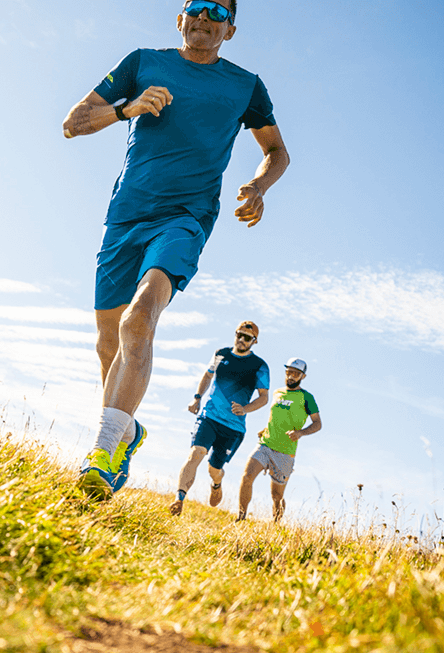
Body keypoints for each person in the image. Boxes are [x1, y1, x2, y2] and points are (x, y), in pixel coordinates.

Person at [61, 0, 290, 499]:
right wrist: (127, 108)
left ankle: (101, 453)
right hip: (126, 215)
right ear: (180, 18)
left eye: (217, 11)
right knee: (108, 343)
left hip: (186, 217)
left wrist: (258, 187)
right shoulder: (143, 63)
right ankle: (126, 432)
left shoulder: (245, 86)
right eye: (196, 6)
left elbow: (276, 151)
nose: (205, 17)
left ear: (230, 30)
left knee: (139, 318)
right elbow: (73, 122)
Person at [169, 321, 269, 516]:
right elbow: (208, 376)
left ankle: (216, 483)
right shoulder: (221, 354)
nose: (241, 339)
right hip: (209, 417)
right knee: (196, 453)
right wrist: (197, 397)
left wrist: (245, 409)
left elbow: (264, 397)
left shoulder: (259, 366)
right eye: (239, 334)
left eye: (247, 337)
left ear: (254, 341)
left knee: (214, 469)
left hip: (233, 428)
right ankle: (179, 499)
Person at [236, 357, 321, 522]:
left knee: (276, 496)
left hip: (285, 452)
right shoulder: (277, 393)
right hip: (265, 444)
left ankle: (275, 526)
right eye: (289, 372)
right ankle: (240, 518)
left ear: (303, 376)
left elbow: (318, 423)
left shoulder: (307, 397)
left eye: (296, 374)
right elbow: (278, 416)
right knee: (247, 477)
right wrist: (266, 428)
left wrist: (300, 433)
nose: (291, 376)